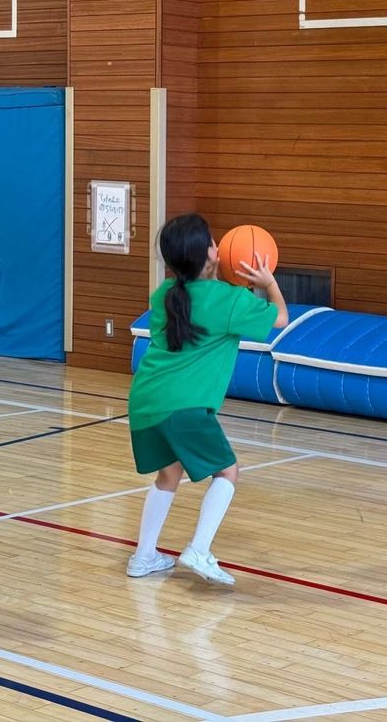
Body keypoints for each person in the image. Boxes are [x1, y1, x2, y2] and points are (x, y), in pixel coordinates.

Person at [127, 213, 287, 586]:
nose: (219, 245)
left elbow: (202, 307)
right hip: (183, 407)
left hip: (145, 400)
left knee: (169, 473)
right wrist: (268, 282)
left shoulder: (164, 294)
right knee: (228, 471)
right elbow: (279, 318)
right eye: (214, 241)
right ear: (208, 254)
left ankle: (144, 557)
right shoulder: (229, 301)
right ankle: (199, 549)